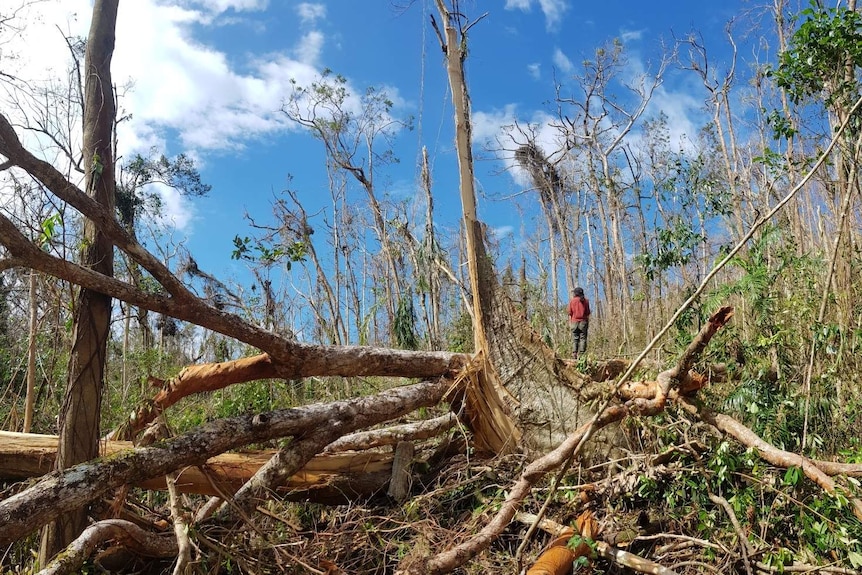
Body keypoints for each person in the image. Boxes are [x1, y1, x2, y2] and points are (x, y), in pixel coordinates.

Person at [567, 287, 591, 359]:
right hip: (583, 322)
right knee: (583, 338)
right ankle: (582, 355)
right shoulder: (585, 301)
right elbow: (588, 312)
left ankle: (574, 353)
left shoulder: (572, 301)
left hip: (574, 322)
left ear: (575, 293)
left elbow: (569, 312)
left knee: (575, 339)